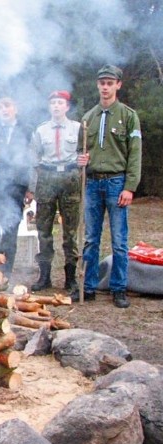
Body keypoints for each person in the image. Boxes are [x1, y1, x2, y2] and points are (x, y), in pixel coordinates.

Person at [72, 65, 142, 308]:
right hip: (92, 183)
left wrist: (129, 186)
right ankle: (88, 287)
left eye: (110, 83)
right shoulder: (88, 118)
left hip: (116, 183)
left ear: (118, 85)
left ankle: (118, 288)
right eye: (102, 82)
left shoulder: (128, 115)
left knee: (119, 240)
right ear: (97, 85)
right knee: (91, 238)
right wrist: (80, 159)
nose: (105, 87)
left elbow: (135, 155)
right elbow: (80, 152)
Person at [27, 91, 81, 292]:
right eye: (53, 103)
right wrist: (32, 187)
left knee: (70, 230)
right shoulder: (41, 130)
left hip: (69, 177)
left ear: (67, 106)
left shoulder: (77, 128)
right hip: (47, 177)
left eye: (61, 103)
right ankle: (45, 276)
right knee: (44, 229)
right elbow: (33, 159)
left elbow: (85, 153)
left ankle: (70, 277)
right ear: (49, 107)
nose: (57, 106)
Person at [0, 97, 33, 275]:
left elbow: (32, 160)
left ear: (16, 109)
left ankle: (5, 273)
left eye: (8, 106)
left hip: (17, 186)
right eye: (0, 107)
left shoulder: (27, 130)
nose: (4, 110)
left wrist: (31, 187)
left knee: (11, 229)